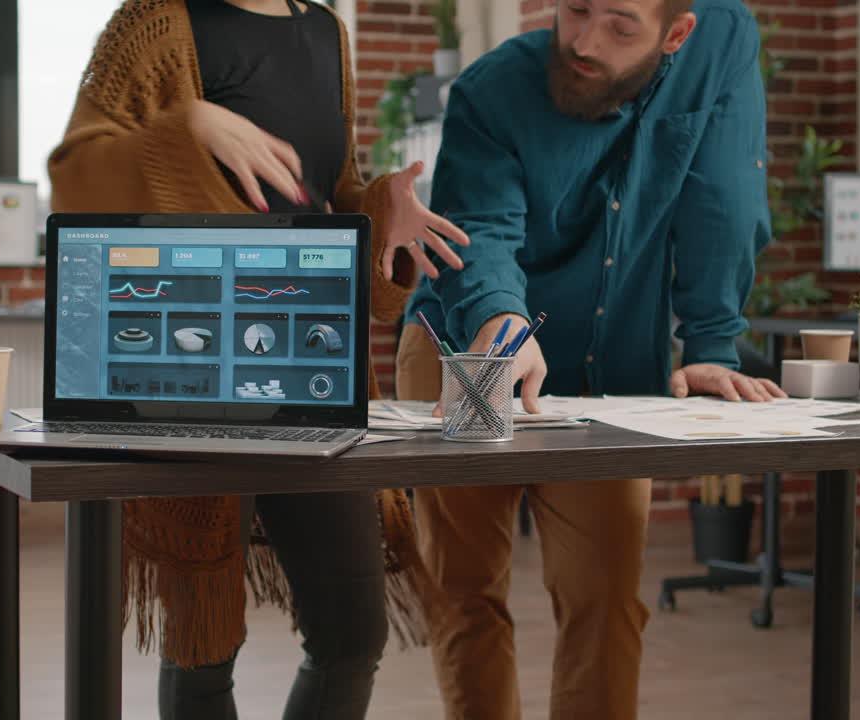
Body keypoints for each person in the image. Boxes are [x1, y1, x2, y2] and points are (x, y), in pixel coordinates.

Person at [48, 1, 468, 717]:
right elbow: (75, 176)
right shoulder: (153, 21)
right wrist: (185, 127)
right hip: (191, 373)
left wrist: (377, 211)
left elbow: (325, 205)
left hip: (311, 375)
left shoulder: (327, 30)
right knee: (204, 645)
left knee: (353, 631)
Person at [396, 1, 787, 718]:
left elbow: (723, 194)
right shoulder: (493, 89)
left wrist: (709, 345)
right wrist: (499, 320)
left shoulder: (722, 36)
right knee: (465, 590)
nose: (583, 40)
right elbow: (479, 229)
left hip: (614, 361)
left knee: (605, 597)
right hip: (469, 348)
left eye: (619, 25)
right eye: (575, 9)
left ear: (677, 33)